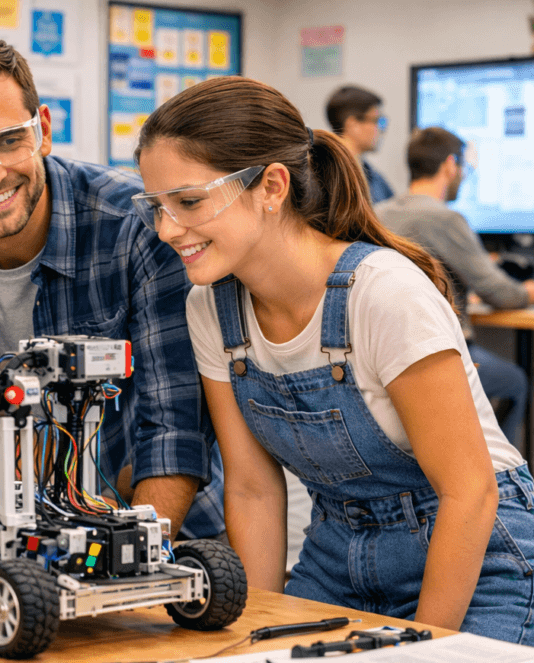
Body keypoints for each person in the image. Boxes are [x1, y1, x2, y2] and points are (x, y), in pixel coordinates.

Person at [135, 76, 534, 642]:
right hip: (339, 552)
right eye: (155, 206)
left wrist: (421, 650)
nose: (166, 229)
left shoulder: (382, 292)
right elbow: (252, 487)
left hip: (477, 552)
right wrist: (250, 627)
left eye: (189, 202)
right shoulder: (210, 307)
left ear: (271, 186)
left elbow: (469, 492)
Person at [0, 31, 223, 540]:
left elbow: (173, 431)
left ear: (42, 129)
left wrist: (129, 561)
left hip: (157, 527)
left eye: (8, 140)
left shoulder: (137, 227)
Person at [377, 127, 533, 447]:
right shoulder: (444, 219)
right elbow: (502, 294)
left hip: (385, 354)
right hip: (439, 352)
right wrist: (528, 290)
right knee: (513, 381)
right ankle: (502, 479)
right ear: (450, 165)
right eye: (464, 168)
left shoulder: (379, 213)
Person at [326, 85, 395, 204]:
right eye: (378, 121)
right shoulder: (327, 177)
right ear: (353, 125)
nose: (381, 129)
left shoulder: (373, 176)